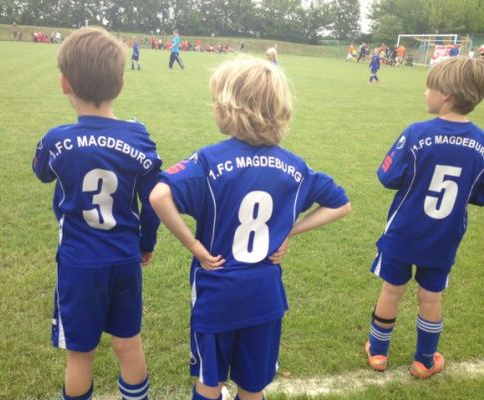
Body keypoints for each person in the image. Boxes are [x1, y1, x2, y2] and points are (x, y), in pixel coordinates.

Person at [149, 58, 351, 400]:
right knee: (252, 387)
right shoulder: (294, 166)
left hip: (217, 293)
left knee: (209, 383)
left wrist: (195, 247)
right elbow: (341, 204)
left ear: (231, 109)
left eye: (216, 101)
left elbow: (158, 195)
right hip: (264, 297)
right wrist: (289, 231)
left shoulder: (209, 161)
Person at [32, 27, 162, 400]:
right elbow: (154, 199)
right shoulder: (139, 137)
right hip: (124, 258)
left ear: (64, 83)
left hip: (79, 263)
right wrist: (146, 243)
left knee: (80, 354)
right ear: (120, 83)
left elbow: (41, 172)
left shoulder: (57, 140)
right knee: (129, 344)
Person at [365, 57, 484, 379]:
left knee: (392, 290)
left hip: (404, 232)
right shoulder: (481, 143)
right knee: (431, 296)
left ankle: (378, 352)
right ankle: (424, 360)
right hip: (444, 237)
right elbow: (479, 194)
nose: (424, 93)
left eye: (429, 87)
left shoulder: (417, 133)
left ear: (446, 94)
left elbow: (387, 176)